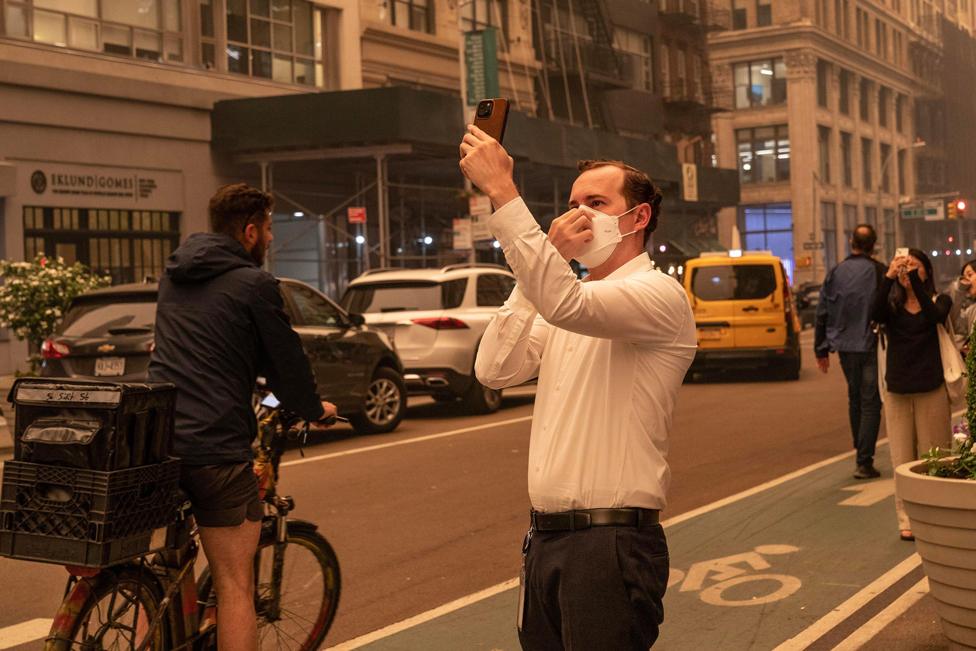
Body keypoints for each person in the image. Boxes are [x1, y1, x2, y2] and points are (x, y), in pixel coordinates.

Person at [459, 125, 696, 650]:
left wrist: (503, 190)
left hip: (609, 544)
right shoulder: (567, 296)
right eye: (572, 203)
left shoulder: (657, 295)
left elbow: (568, 304)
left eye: (595, 201)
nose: (577, 215)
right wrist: (535, 275)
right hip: (545, 540)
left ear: (638, 217)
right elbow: (494, 369)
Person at [148, 183, 337, 650]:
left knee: (165, 573)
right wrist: (314, 411)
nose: (271, 239)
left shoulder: (174, 274)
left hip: (157, 438)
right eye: (270, 229)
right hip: (214, 445)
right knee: (236, 585)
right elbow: (286, 365)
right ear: (250, 231)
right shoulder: (255, 285)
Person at [872, 248, 951, 542]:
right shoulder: (891, 307)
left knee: (935, 457)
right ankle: (906, 520)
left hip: (931, 387)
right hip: (898, 390)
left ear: (927, 272)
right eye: (904, 267)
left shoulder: (939, 300)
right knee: (902, 460)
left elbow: (935, 319)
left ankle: (936, 515)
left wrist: (915, 282)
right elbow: (874, 313)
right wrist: (889, 277)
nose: (908, 272)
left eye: (915, 267)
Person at [814, 224, 887, 479]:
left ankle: (861, 450)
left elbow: (822, 311)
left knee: (854, 397)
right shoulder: (879, 272)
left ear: (850, 242)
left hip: (843, 346)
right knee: (870, 401)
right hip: (870, 344)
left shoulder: (836, 272)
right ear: (874, 245)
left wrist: (820, 349)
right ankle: (864, 460)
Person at [948, 259, 976, 350]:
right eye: (964, 276)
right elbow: (954, 327)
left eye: (970, 275)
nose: (966, 280)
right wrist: (960, 291)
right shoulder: (971, 309)